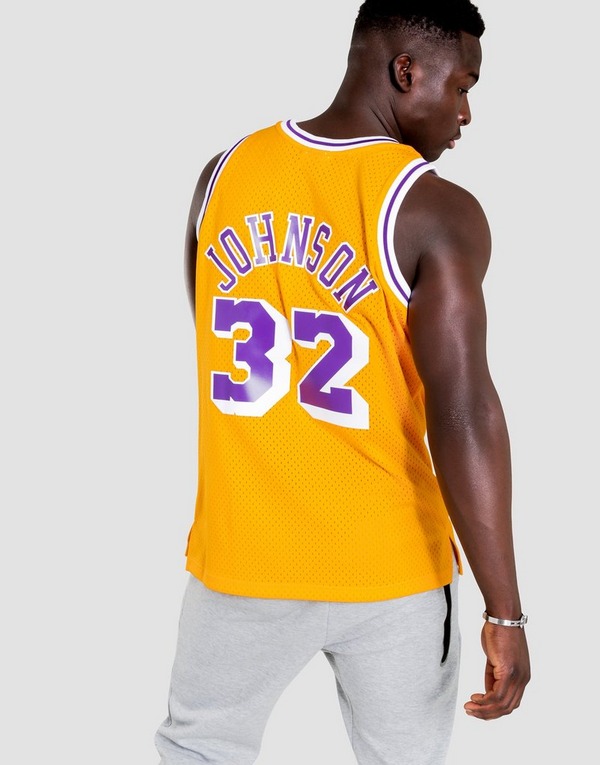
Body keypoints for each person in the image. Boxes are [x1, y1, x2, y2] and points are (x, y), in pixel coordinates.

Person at [155, 1, 531, 762]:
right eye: (462, 86)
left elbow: (210, 335)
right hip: (390, 571)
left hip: (243, 559)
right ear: (406, 71)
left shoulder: (222, 175)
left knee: (199, 750)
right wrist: (506, 612)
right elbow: (464, 414)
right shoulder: (436, 210)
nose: (465, 112)